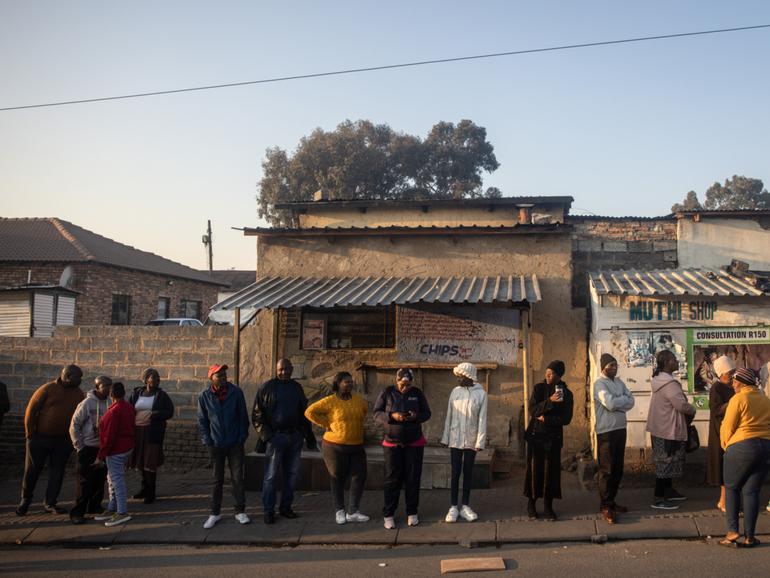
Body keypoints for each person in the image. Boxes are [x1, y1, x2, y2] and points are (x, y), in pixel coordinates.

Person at [252, 358, 317, 524]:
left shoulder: (297, 388)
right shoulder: (266, 388)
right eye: (281, 369)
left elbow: (305, 414)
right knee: (271, 476)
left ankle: (286, 507)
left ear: (292, 369)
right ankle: (268, 510)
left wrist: (307, 437)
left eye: (287, 369)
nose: (284, 372)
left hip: (294, 438)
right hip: (276, 439)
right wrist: (269, 437)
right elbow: (257, 416)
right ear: (276, 369)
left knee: (291, 475)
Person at [17, 364, 85, 516]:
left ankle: (50, 502)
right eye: (78, 377)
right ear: (68, 376)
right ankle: (25, 500)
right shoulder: (47, 389)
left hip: (63, 441)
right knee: (32, 470)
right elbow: (31, 410)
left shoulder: (78, 393)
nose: (81, 380)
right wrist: (30, 434)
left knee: (57, 472)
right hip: (40, 438)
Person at [305, 371, 369, 525]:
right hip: (334, 446)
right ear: (338, 384)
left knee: (359, 476)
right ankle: (339, 510)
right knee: (337, 477)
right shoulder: (330, 401)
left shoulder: (359, 401)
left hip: (356, 445)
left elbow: (363, 414)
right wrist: (326, 424)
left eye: (351, 381)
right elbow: (309, 412)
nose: (350, 384)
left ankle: (353, 511)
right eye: (346, 381)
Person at [373, 368, 432, 529]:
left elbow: (427, 413)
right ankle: (389, 514)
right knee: (392, 479)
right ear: (396, 380)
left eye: (408, 384)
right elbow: (376, 413)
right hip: (392, 443)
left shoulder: (417, 393)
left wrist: (415, 416)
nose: (405, 387)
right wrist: (392, 416)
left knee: (413, 478)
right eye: (402, 383)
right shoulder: (387, 392)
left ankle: (412, 512)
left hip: (414, 443)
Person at [719, 367, 770, 548]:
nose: (732, 384)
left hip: (742, 446)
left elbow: (728, 427)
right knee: (752, 492)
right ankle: (750, 536)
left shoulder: (739, 398)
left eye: (734, 381)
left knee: (732, 488)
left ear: (741, 382)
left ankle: (732, 532)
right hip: (765, 447)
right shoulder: (765, 399)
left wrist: (726, 447)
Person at [197, 364, 251, 529]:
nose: (223, 377)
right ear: (211, 378)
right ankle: (215, 513)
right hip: (216, 444)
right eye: (219, 375)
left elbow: (243, 417)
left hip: (235, 443)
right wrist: (208, 440)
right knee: (217, 480)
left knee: (237, 478)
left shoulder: (236, 393)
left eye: (224, 374)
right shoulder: (204, 396)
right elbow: (202, 420)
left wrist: (241, 437)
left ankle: (240, 511)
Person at [645, 349, 696, 510]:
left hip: (661, 427)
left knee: (667, 460)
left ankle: (668, 491)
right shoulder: (670, 384)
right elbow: (681, 405)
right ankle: (659, 498)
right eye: (674, 359)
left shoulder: (660, 380)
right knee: (665, 462)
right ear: (667, 363)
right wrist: (692, 409)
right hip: (668, 428)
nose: (676, 361)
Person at [523, 360, 574, 521]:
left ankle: (548, 507)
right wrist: (550, 401)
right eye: (546, 373)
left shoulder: (567, 393)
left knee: (551, 473)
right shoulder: (539, 389)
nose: (547, 376)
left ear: (559, 376)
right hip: (536, 437)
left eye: (551, 373)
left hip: (553, 439)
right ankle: (531, 505)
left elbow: (566, 418)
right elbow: (532, 410)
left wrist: (548, 420)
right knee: (534, 471)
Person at [442, 362, 487, 523]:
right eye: (457, 377)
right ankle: (453, 506)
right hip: (455, 438)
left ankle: (465, 506)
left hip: (471, 439)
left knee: (468, 473)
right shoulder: (455, 392)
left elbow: (482, 419)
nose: (458, 380)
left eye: (460, 377)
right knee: (455, 473)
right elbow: (449, 415)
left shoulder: (481, 394)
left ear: (469, 377)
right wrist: (446, 437)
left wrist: (480, 441)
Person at [593, 354, 635, 524]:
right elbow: (609, 403)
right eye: (610, 365)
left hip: (620, 429)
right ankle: (605, 505)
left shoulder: (619, 382)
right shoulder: (599, 384)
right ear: (603, 367)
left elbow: (631, 401)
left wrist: (620, 402)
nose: (614, 368)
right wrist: (621, 403)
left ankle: (612, 501)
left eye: (615, 365)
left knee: (618, 468)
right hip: (606, 432)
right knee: (607, 469)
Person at [68, 375, 112, 524]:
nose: (109, 389)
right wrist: (79, 446)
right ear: (98, 386)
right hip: (87, 447)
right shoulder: (86, 403)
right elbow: (74, 425)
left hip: (102, 449)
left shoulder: (110, 403)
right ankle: (77, 512)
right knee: (84, 481)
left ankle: (95, 506)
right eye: (106, 386)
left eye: (110, 386)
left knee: (99, 480)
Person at [128, 368, 174, 504]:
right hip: (137, 432)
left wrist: (157, 414)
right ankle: (144, 489)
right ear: (146, 379)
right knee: (141, 461)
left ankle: (151, 492)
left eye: (158, 378)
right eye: (154, 377)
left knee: (150, 461)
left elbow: (169, 412)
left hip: (152, 432)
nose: (157, 380)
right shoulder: (137, 393)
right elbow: (130, 409)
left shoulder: (161, 396)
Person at [94, 382, 135, 527]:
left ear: (111, 395)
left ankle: (122, 512)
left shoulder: (113, 412)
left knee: (116, 480)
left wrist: (101, 455)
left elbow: (109, 437)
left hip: (116, 450)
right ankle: (113, 508)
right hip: (126, 447)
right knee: (112, 478)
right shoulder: (128, 407)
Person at [707, 355, 736, 513]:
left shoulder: (732, 386)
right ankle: (724, 501)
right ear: (721, 374)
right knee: (724, 468)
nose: (732, 376)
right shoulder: (717, 388)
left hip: (731, 431)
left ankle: (723, 500)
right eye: (730, 373)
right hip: (720, 432)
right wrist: (734, 402)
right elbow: (716, 409)